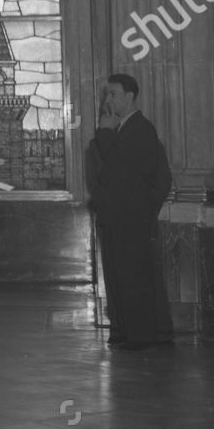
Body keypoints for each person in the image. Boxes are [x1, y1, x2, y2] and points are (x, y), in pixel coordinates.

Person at [88, 73, 172, 351]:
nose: (108, 100)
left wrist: (104, 133)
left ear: (130, 96)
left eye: (113, 94)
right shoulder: (120, 128)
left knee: (133, 277)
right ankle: (123, 330)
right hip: (115, 217)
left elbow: (121, 171)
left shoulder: (140, 128)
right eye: (106, 95)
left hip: (131, 219)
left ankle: (140, 335)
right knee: (116, 276)